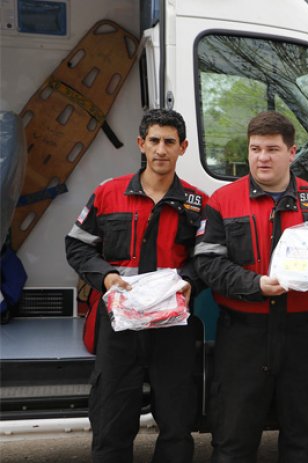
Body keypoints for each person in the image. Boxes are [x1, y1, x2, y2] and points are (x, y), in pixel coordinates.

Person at [194, 111, 308, 463]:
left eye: (272, 149)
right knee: (232, 440)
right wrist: (255, 285)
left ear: (292, 152)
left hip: (304, 335)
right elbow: (206, 263)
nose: (262, 157)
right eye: (255, 149)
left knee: (304, 440)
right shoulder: (223, 201)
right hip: (243, 336)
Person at [65, 108, 208, 463]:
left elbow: (207, 259)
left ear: (183, 147)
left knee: (177, 426)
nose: (161, 150)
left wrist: (190, 281)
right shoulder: (108, 193)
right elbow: (77, 246)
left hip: (173, 330)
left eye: (170, 142)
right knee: (111, 422)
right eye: (155, 141)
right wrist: (107, 277)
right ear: (141, 144)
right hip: (119, 328)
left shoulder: (198, 203)